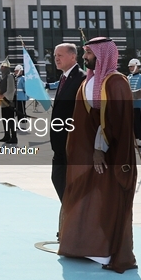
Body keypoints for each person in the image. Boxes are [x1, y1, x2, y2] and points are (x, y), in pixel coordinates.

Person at [59, 37, 138, 273]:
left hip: (109, 156)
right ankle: (84, 246)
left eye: (89, 54)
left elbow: (115, 121)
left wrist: (98, 149)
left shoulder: (116, 82)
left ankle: (105, 253)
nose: (85, 58)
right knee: (87, 199)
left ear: (102, 55)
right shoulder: (91, 81)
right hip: (90, 155)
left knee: (107, 201)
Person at [47, 43, 85, 203]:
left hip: (72, 143)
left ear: (73, 56)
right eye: (55, 55)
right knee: (58, 180)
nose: (56, 58)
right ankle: (70, 220)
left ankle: (73, 222)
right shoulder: (64, 78)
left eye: (60, 55)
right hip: (60, 144)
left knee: (69, 186)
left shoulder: (81, 79)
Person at [126, 58, 141, 149]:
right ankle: (136, 140)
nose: (130, 68)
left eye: (132, 66)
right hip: (130, 104)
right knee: (133, 123)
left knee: (140, 123)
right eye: (130, 67)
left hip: (139, 104)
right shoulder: (128, 77)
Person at [0, 62, 18, 143]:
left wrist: (3, 96)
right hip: (3, 101)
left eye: (2, 67)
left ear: (6, 68)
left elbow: (11, 90)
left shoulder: (10, 76)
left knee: (10, 120)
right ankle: (7, 135)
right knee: (5, 119)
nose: (1, 68)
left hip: (9, 101)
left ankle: (14, 137)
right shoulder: (3, 78)